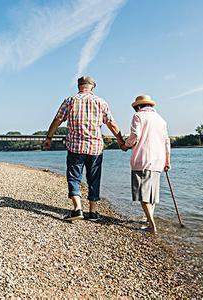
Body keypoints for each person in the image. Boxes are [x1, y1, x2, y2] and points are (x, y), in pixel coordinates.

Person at [44, 76, 125, 221]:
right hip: (95, 148)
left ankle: (78, 209)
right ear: (93, 87)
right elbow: (111, 123)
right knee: (94, 178)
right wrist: (120, 141)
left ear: (78, 86)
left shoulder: (70, 101)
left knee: (74, 177)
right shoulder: (101, 102)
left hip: (75, 147)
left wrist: (49, 137)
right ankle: (93, 212)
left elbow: (57, 119)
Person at [123, 95, 171, 234]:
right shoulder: (161, 120)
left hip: (142, 159)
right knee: (152, 194)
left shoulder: (138, 116)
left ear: (138, 106)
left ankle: (152, 225)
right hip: (158, 161)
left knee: (143, 194)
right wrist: (167, 161)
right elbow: (166, 142)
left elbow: (135, 136)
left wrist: (126, 145)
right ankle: (147, 218)